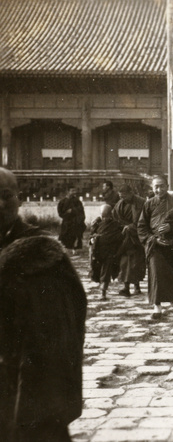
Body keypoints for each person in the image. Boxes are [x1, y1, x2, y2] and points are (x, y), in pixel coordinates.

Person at [0, 167, 87, 441]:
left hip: (26, 390)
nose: (0, 204)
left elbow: (63, 333)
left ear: (19, 199)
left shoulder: (41, 253)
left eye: (6, 196)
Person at [137, 175, 173, 319]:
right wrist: (152, 239)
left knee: (171, 272)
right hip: (155, 245)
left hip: (172, 244)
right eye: (156, 187)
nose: (159, 190)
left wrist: (172, 227)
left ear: (167, 185)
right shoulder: (149, 204)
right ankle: (157, 306)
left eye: (162, 186)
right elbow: (141, 226)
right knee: (156, 273)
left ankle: (172, 295)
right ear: (152, 188)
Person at [112, 185, 146, 296]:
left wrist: (131, 227)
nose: (123, 199)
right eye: (121, 196)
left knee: (135, 264)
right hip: (124, 238)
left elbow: (145, 219)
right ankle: (125, 287)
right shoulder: (119, 204)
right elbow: (115, 219)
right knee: (124, 263)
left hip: (136, 237)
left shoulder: (141, 203)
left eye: (125, 196)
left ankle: (137, 287)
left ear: (131, 193)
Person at [89, 204, 124, 300]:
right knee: (102, 270)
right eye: (103, 216)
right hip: (99, 251)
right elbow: (91, 235)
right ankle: (102, 290)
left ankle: (103, 292)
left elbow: (120, 236)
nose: (104, 218)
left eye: (106, 216)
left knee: (105, 271)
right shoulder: (97, 223)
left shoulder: (114, 224)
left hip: (107, 252)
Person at [57, 186, 86, 254]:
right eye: (72, 191)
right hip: (66, 222)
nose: (74, 192)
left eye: (75, 191)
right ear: (68, 191)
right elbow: (60, 213)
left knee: (74, 236)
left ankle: (74, 249)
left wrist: (73, 211)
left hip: (75, 222)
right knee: (65, 236)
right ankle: (66, 250)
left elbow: (81, 210)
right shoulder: (62, 202)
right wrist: (66, 213)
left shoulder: (77, 201)